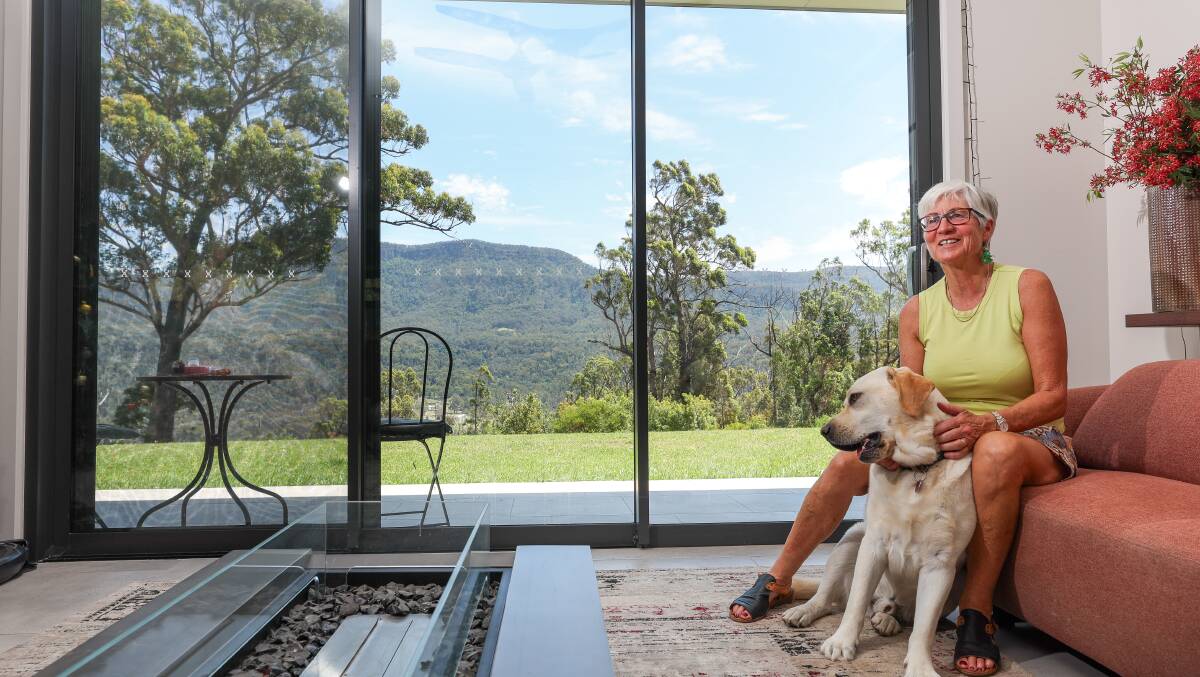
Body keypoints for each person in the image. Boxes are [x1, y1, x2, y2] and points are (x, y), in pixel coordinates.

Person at [728, 180, 1075, 677]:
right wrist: (888, 445)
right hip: (944, 436)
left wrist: (989, 423)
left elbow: (1054, 395)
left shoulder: (1027, 286)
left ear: (987, 227)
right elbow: (906, 398)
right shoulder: (918, 309)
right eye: (931, 221)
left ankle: (977, 613)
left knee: (995, 451)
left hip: (1023, 433)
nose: (942, 228)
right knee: (845, 463)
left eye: (957, 215)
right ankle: (780, 579)